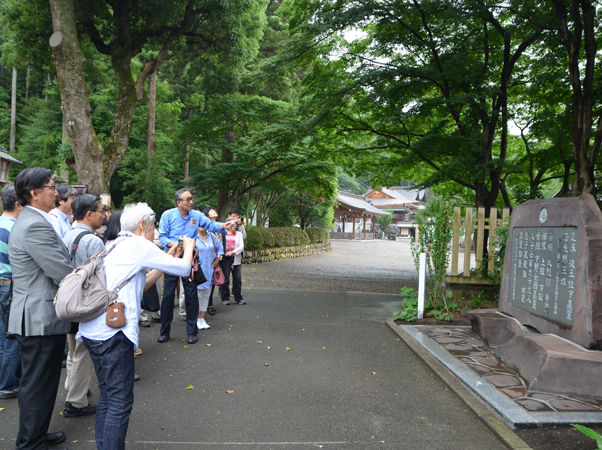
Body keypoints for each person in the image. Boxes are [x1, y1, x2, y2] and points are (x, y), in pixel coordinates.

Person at [78, 202, 194, 450]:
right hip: (113, 334)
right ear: (143, 225)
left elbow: (139, 285)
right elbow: (185, 269)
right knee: (119, 401)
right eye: (154, 229)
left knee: (109, 397)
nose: (155, 235)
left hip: (93, 331)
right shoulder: (139, 244)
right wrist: (189, 248)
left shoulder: (115, 244)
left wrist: (167, 259)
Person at [8, 167, 74, 450]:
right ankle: (30, 443)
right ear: (34, 193)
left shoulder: (32, 219)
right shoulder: (34, 224)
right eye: (51, 186)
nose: (55, 191)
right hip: (38, 317)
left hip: (36, 314)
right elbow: (60, 270)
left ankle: (35, 434)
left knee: (41, 384)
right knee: (38, 385)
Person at [157, 188, 235, 344]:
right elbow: (162, 237)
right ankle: (164, 332)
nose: (191, 202)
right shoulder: (168, 215)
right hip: (173, 258)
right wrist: (178, 245)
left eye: (191, 199)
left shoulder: (197, 216)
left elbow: (211, 225)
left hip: (191, 259)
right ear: (178, 202)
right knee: (167, 296)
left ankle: (192, 332)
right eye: (188, 199)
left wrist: (223, 226)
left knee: (191, 296)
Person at [61, 194, 106, 418]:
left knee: (72, 351)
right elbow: (101, 276)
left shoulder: (65, 235)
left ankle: (73, 388)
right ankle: (76, 402)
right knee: (83, 353)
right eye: (100, 211)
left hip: (67, 301)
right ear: (89, 214)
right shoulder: (94, 241)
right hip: (85, 304)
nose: (103, 215)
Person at [0, 185, 22, 400]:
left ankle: (3, 380)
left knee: (1, 338)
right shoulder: (16, 228)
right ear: (18, 204)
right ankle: (8, 384)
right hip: (10, 283)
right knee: (14, 336)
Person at [195, 223, 224, 329]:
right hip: (198, 271)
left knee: (206, 295)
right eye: (198, 224)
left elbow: (220, 247)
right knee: (197, 296)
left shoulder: (211, 236)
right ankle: (196, 319)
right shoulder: (193, 236)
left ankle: (202, 318)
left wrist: (219, 256)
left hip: (210, 270)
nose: (201, 226)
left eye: (203, 223)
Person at [220, 217, 245, 305]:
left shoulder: (239, 234)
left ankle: (238, 297)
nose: (234, 226)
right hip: (225, 258)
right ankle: (225, 298)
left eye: (235, 224)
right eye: (232, 224)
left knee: (237, 278)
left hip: (235, 257)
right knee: (226, 278)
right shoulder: (223, 233)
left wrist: (233, 252)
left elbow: (241, 247)